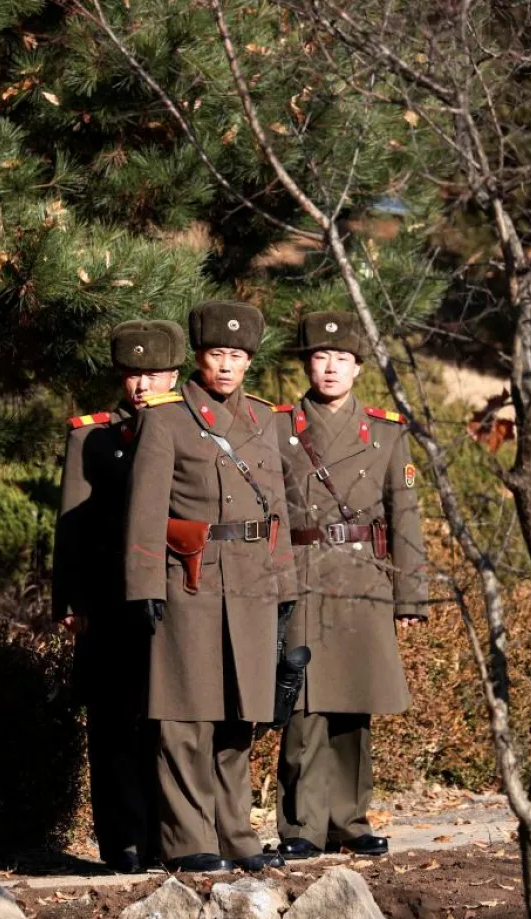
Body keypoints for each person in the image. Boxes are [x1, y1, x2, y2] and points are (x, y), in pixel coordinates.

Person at [124, 300, 297, 874]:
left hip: (251, 581)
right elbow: (145, 510)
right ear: (198, 357)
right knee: (184, 717)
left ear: (250, 360)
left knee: (239, 718)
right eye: (216, 354)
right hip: (189, 581)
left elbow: (277, 509)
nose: (226, 366)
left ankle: (234, 832)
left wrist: (285, 587)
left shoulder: (265, 419)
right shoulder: (166, 417)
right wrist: (144, 583)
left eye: (237, 355)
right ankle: (186, 838)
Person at [272, 310, 428, 859]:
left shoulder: (385, 433)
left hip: (363, 579)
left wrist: (411, 596)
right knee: (302, 704)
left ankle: (350, 820)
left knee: (353, 707)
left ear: (359, 368)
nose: (331, 367)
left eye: (342, 358)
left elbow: (405, 517)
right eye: (320, 357)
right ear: (307, 364)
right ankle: (301, 826)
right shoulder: (278, 426)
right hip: (302, 575)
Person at [54, 319, 186, 874]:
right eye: (133, 374)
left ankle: (169, 836)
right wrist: (72, 602)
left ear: (175, 374)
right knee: (112, 725)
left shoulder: (192, 428)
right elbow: (72, 529)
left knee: (169, 723)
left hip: (173, 600)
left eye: (153, 373)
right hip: (109, 603)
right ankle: (123, 842)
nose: (142, 385)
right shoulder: (94, 435)